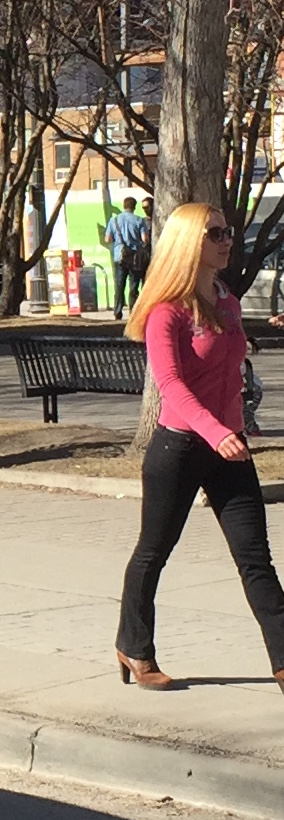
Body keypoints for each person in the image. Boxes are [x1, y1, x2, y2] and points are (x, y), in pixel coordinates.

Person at [115, 202, 284, 695]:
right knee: (154, 551)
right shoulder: (166, 313)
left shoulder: (227, 301)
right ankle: (135, 648)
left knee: (256, 558)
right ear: (190, 242)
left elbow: (229, 373)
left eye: (227, 231)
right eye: (214, 233)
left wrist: (234, 427)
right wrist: (216, 431)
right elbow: (171, 383)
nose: (226, 239)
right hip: (181, 447)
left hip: (229, 447)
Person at [104, 197, 149, 319]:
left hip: (120, 256)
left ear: (123, 206)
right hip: (135, 257)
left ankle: (117, 312)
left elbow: (107, 239)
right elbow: (145, 239)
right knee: (134, 285)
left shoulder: (114, 221)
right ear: (134, 207)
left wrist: (118, 241)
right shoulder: (139, 220)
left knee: (119, 285)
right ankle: (133, 312)